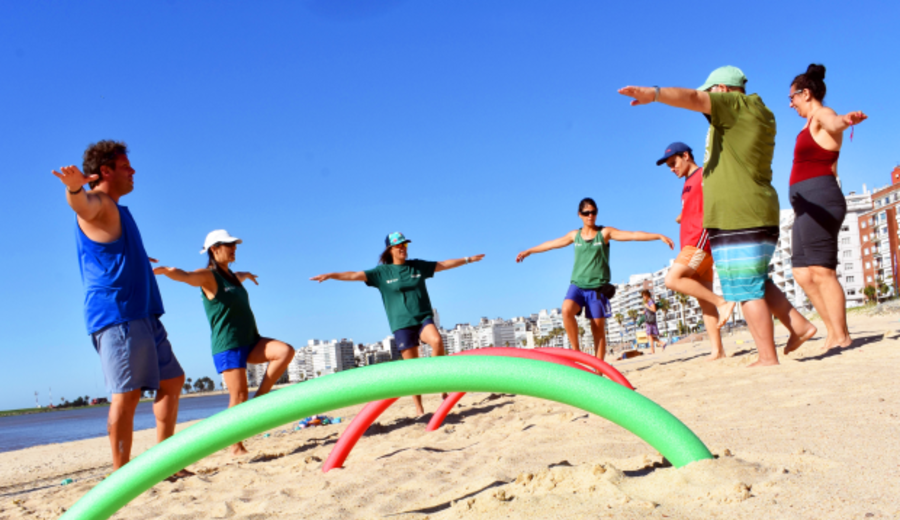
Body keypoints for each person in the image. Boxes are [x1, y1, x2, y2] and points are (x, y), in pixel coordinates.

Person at [619, 66, 817, 367]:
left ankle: (766, 357)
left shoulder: (736, 105)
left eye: (710, 93)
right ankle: (800, 326)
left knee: (745, 288)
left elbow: (694, 98)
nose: (707, 103)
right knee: (757, 279)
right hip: (758, 206)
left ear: (722, 90)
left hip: (738, 212)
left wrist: (655, 94)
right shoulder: (761, 113)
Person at [52, 141, 188, 475]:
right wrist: (73, 189)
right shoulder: (101, 204)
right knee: (125, 397)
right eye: (125, 166)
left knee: (172, 380)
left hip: (143, 313)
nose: (133, 171)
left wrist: (140, 258)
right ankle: (120, 477)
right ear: (106, 172)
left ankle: (164, 462)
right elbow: (83, 206)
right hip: (118, 316)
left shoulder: (119, 211)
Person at [310, 232, 484, 416]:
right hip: (401, 324)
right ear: (390, 249)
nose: (403, 248)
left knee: (437, 341)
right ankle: (419, 408)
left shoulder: (416, 266)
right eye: (398, 245)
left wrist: (468, 259)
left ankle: (441, 387)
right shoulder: (381, 273)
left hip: (423, 317)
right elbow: (353, 275)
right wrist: (331, 275)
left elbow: (443, 264)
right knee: (412, 370)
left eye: (405, 245)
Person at [153, 230, 295, 456]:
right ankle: (235, 444)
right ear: (213, 249)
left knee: (285, 351)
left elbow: (237, 277)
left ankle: (260, 400)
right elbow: (186, 275)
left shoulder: (231, 277)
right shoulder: (208, 276)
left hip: (251, 339)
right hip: (228, 345)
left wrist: (247, 275)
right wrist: (164, 271)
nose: (234, 248)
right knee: (238, 397)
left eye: (234, 245)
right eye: (228, 244)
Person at [516, 198, 674, 360]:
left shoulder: (604, 233)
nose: (590, 216)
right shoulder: (575, 235)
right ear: (580, 215)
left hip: (597, 289)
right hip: (577, 286)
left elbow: (632, 235)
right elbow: (551, 244)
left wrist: (658, 236)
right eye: (586, 213)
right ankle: (577, 353)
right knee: (566, 310)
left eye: (593, 212)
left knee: (597, 330)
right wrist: (530, 251)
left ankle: (598, 372)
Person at [786, 64, 867, 354]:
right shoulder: (807, 126)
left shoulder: (821, 114)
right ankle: (833, 331)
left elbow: (834, 122)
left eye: (792, 98)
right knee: (801, 272)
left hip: (819, 199)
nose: (791, 104)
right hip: (807, 204)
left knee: (822, 271)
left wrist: (846, 119)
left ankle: (842, 336)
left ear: (805, 93)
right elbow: (832, 163)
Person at [657, 142, 733, 360]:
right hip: (692, 241)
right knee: (704, 301)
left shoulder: (703, 174)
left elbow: (719, 199)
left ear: (686, 155)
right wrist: (683, 215)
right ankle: (718, 351)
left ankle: (724, 301)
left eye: (674, 163)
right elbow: (697, 205)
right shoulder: (687, 183)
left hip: (699, 240)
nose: (672, 168)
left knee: (672, 279)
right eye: (669, 166)